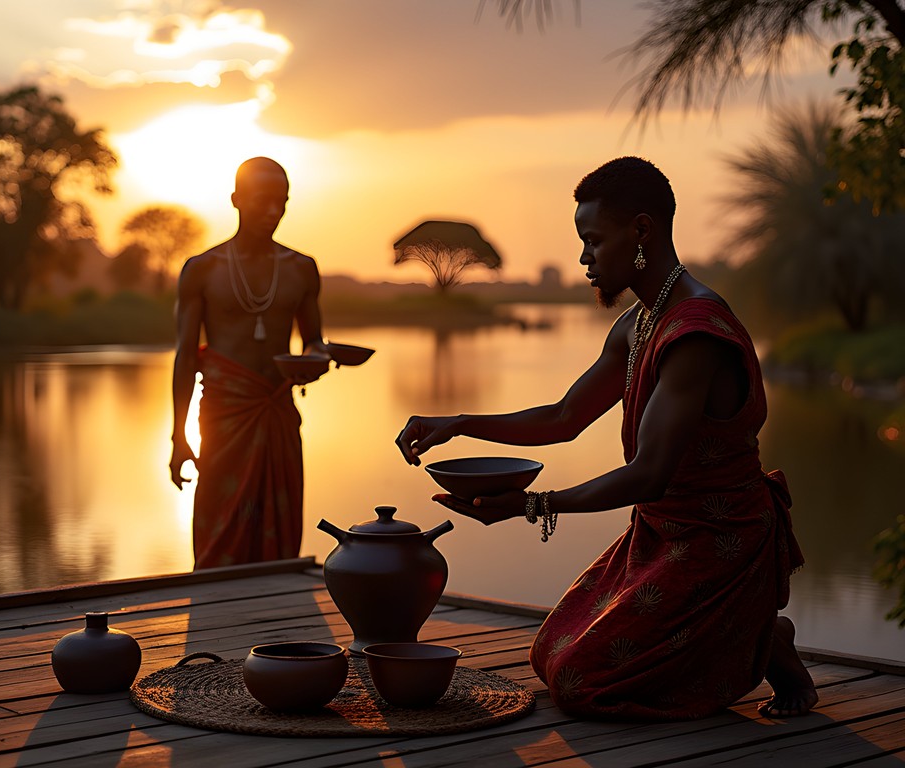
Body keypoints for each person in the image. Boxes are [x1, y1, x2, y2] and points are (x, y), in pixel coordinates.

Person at [395, 156, 817, 722]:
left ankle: (758, 635)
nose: (583, 257)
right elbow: (562, 418)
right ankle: (751, 630)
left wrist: (533, 505)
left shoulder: (695, 333)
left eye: (593, 240)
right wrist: (458, 423)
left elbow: (649, 474)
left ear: (641, 230)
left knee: (578, 683)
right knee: (547, 654)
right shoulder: (637, 324)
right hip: (659, 533)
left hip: (720, 542)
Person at [170, 157, 327, 569]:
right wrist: (178, 437)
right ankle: (216, 610)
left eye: (282, 201)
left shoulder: (301, 269)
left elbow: (314, 340)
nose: (273, 211)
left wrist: (313, 359)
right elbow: (186, 356)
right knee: (218, 524)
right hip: (224, 415)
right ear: (237, 199)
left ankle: (277, 614)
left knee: (279, 523)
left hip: (276, 409)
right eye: (263, 201)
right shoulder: (202, 270)